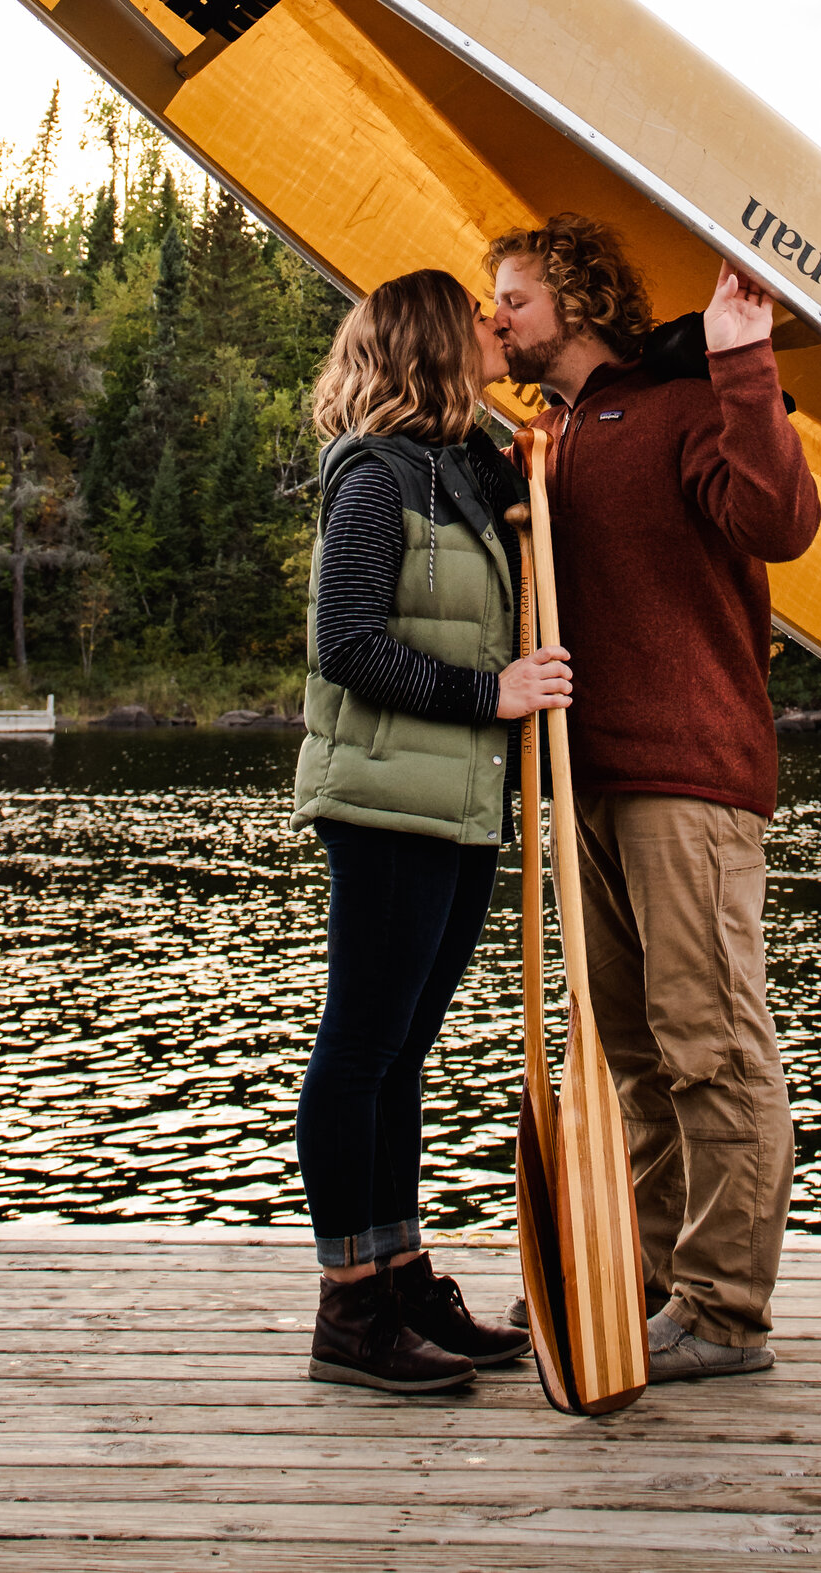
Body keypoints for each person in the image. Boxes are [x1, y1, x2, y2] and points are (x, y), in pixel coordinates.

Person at [486, 213, 820, 1383]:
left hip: (687, 774)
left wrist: (741, 359)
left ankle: (727, 1314)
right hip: (585, 779)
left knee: (711, 1047)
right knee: (630, 1054)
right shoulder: (545, 436)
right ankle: (642, 1283)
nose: (499, 322)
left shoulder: (683, 405)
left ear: (572, 302)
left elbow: (781, 524)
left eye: (513, 302)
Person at [292, 265, 573, 1394]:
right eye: (477, 315)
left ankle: (401, 1274)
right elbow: (345, 642)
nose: (496, 324)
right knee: (360, 1048)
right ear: (431, 340)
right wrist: (489, 695)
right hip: (387, 798)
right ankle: (348, 1309)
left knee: (400, 1055)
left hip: (456, 803)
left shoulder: (463, 463)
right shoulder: (377, 475)